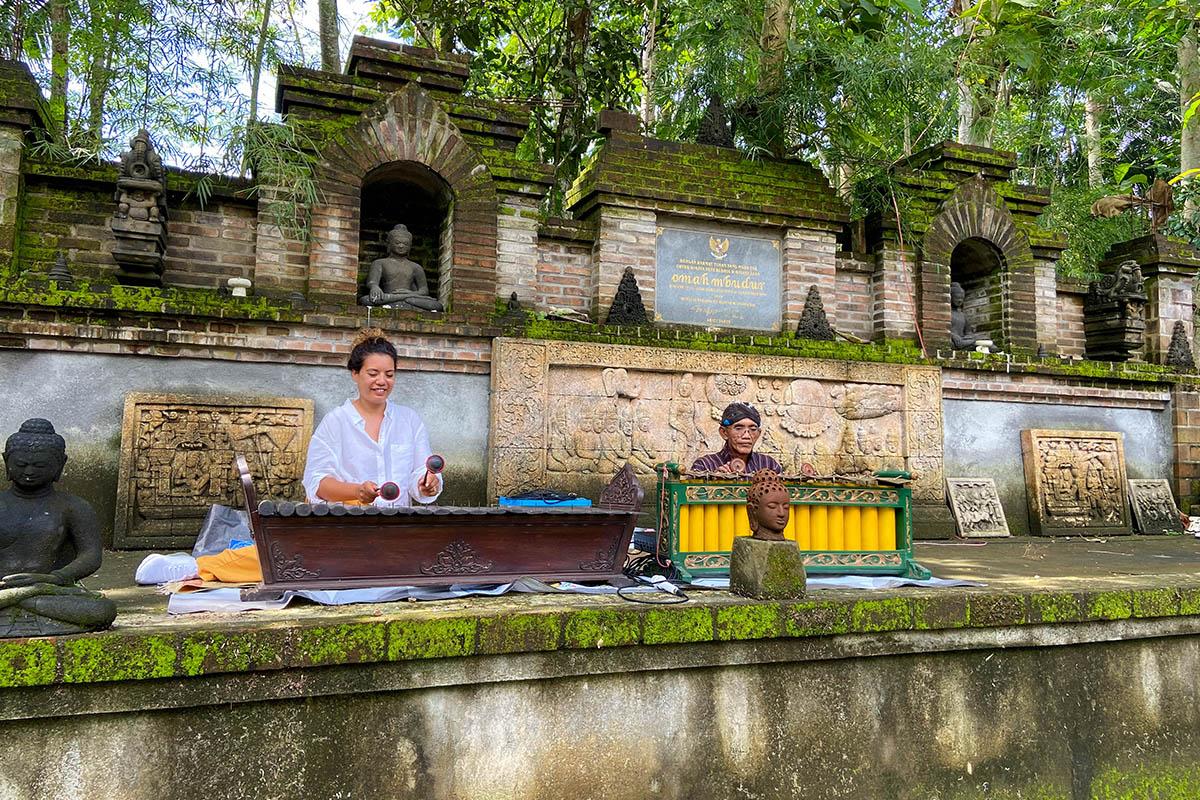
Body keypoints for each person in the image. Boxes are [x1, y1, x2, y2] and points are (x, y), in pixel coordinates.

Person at [0, 418, 117, 637]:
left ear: (60, 465)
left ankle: (18, 604)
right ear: (7, 462)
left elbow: (91, 556)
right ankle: (21, 604)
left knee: (103, 610)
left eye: (40, 465)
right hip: (2, 588)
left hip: (52, 591)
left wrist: (56, 578)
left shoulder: (74, 507)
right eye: (21, 464)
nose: (30, 470)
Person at [303, 329, 443, 506]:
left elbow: (421, 471)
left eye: (389, 374)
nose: (382, 381)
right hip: (349, 526)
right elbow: (316, 482)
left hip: (397, 525)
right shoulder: (336, 421)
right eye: (373, 374)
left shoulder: (409, 420)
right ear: (355, 373)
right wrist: (356, 491)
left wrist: (428, 484)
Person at [359, 224, 444, 311]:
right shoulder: (379, 263)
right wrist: (375, 287)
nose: (401, 246)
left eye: (405, 244)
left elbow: (424, 290)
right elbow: (372, 282)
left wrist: (411, 293)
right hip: (389, 295)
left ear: (410, 246)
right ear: (389, 243)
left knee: (437, 306)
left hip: (406, 297)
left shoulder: (416, 267)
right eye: (397, 243)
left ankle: (402, 299)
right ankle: (404, 299)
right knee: (366, 300)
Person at [690, 402, 783, 475]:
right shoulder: (704, 465)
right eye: (738, 428)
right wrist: (714, 482)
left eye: (753, 429)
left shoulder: (769, 465)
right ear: (724, 433)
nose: (746, 436)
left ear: (758, 434)